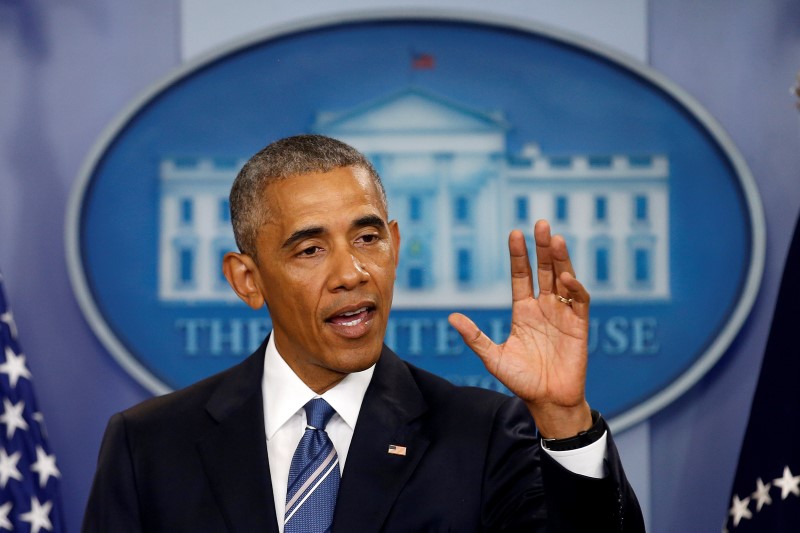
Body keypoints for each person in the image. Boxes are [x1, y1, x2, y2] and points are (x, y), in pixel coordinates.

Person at [82, 134, 645, 532]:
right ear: (247, 280)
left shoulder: (487, 434)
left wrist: (564, 419)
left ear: (395, 247)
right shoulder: (150, 445)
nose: (352, 272)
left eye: (368, 238)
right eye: (310, 249)